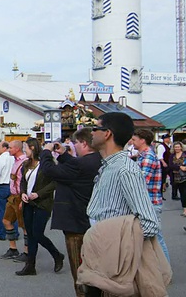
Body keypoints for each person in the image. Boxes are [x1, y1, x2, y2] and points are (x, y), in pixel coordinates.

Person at [84, 112, 160, 296]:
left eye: (96, 128)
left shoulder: (126, 169)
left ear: (107, 133)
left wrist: (117, 247)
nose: (91, 133)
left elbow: (149, 223)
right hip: (100, 252)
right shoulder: (109, 166)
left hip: (114, 257)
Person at [39, 128, 100, 297]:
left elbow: (50, 170)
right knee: (95, 268)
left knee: (79, 269)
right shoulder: (96, 160)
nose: (75, 147)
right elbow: (73, 171)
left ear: (84, 143)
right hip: (92, 221)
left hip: (76, 221)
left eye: (76, 143)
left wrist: (46, 152)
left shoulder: (80, 164)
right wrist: (65, 154)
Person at [15, 138, 64, 276]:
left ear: (32, 148)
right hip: (28, 203)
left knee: (37, 233)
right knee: (30, 234)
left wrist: (39, 194)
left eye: (26, 148)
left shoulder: (46, 164)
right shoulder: (26, 164)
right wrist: (23, 193)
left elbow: (55, 182)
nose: (25, 151)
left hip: (43, 202)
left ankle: (57, 255)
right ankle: (30, 266)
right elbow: (23, 181)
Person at [131, 129, 170, 262]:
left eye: (134, 139)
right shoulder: (143, 155)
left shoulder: (148, 156)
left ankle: (165, 269)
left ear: (142, 140)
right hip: (149, 202)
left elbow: (142, 180)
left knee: (156, 237)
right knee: (153, 237)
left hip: (150, 202)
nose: (132, 142)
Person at [1, 140, 28, 261]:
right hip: (12, 197)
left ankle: (27, 252)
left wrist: (23, 198)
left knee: (24, 225)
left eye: (10, 148)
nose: (9, 150)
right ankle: (13, 249)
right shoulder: (15, 161)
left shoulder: (25, 162)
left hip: (19, 197)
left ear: (17, 149)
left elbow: (26, 182)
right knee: (6, 221)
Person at [0, 141, 14, 241]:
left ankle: (2, 233)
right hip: (12, 185)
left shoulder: (0, 159)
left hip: (2, 185)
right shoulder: (13, 158)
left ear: (5, 148)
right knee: (13, 210)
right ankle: (14, 233)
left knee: (1, 211)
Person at [168, 141, 186, 215]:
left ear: (181, 147)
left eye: (178, 147)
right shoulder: (172, 156)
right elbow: (171, 165)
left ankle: (185, 210)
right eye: (175, 147)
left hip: (185, 177)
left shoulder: (185, 154)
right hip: (175, 177)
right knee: (181, 193)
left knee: (184, 193)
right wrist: (180, 167)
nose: (177, 148)